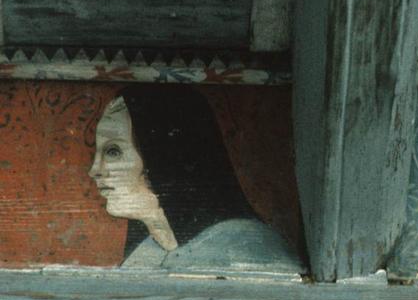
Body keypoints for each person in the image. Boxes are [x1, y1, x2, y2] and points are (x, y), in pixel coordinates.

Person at [89, 85, 303, 273]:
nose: (94, 170)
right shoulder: (146, 253)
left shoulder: (247, 253)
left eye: (113, 151)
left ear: (166, 155)